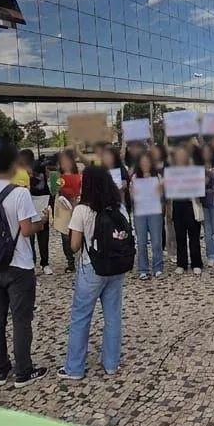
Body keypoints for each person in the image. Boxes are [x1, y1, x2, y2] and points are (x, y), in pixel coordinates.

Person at [0, 143, 49, 388]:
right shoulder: (19, 193)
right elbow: (26, 230)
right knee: (21, 320)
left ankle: (0, 371)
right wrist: (42, 221)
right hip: (19, 265)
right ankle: (24, 371)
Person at [59, 166, 129, 381]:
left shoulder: (82, 209)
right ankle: (111, 364)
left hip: (92, 268)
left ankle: (75, 368)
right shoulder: (120, 207)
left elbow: (74, 245)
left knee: (81, 317)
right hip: (116, 268)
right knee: (113, 316)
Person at [169, 146, 204, 274]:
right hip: (178, 205)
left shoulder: (194, 170)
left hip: (191, 204)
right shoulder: (172, 171)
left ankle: (197, 263)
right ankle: (181, 263)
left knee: (194, 236)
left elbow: (200, 188)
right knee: (180, 236)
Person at [130, 151, 165, 279]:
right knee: (141, 242)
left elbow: (162, 195)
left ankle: (158, 267)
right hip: (140, 213)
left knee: (156, 241)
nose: (145, 164)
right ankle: (143, 269)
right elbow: (132, 197)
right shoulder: (135, 178)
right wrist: (132, 192)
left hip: (155, 211)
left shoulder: (158, 177)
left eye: (147, 161)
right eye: (142, 162)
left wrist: (161, 190)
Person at [22, 150, 53, 276]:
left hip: (41, 203)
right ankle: (32, 263)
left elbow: (49, 187)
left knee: (43, 235)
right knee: (30, 237)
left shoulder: (39, 167)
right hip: (28, 204)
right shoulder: (20, 172)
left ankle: (45, 263)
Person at [55, 150, 82, 272]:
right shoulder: (58, 177)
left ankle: (82, 258)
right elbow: (54, 190)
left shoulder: (79, 175)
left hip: (77, 206)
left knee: (79, 232)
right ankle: (70, 261)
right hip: (63, 208)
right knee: (65, 235)